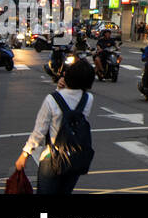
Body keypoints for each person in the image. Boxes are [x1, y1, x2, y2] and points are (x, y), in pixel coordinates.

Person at [15, 57, 96, 194]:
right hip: (75, 157)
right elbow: (71, 105)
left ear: (67, 76)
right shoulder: (88, 99)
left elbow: (39, 132)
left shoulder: (52, 99)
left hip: (52, 158)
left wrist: (24, 154)